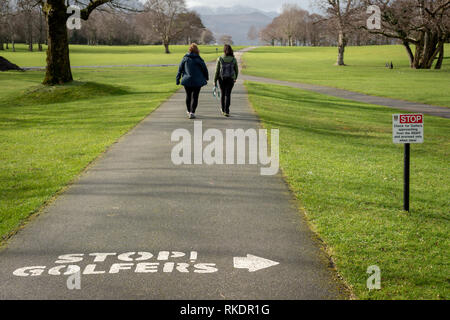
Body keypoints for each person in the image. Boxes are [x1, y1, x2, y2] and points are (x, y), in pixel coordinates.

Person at [176, 43, 209, 119]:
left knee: (188, 96)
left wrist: (177, 79)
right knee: (195, 97)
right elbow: (205, 69)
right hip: (197, 81)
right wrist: (206, 77)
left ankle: (188, 111)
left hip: (187, 80)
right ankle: (192, 112)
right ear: (197, 50)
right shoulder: (199, 59)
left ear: (189, 50)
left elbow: (179, 70)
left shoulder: (185, 58)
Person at [214, 44, 239, 117]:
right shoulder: (233, 59)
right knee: (228, 94)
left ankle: (222, 109)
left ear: (224, 50)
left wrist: (214, 80)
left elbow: (217, 71)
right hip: (231, 78)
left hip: (221, 79)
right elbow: (236, 70)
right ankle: (227, 111)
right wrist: (235, 78)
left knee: (222, 94)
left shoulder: (220, 58)